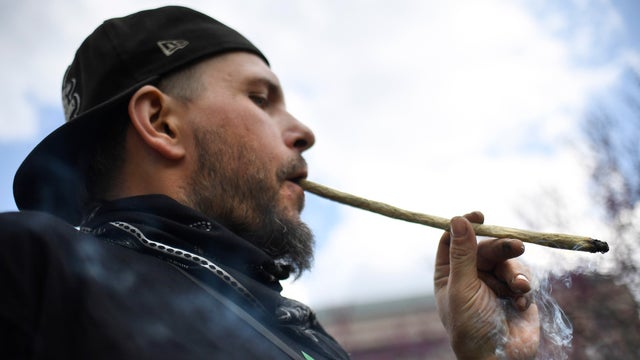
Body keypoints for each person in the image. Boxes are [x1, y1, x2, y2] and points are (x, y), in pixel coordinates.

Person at [1, 6, 539, 359]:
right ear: (161, 124)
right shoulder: (29, 270)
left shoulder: (298, 330)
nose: (303, 132)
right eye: (260, 99)